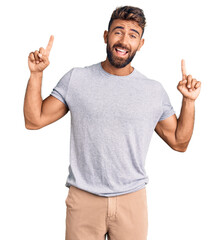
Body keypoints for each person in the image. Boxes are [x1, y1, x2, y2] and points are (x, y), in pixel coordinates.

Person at [23, 5, 201, 240]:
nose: (124, 40)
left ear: (141, 44)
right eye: (118, 31)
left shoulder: (152, 91)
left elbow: (180, 142)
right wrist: (36, 75)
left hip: (132, 201)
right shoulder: (77, 79)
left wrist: (188, 101)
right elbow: (34, 120)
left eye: (132, 35)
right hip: (84, 199)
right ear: (106, 36)